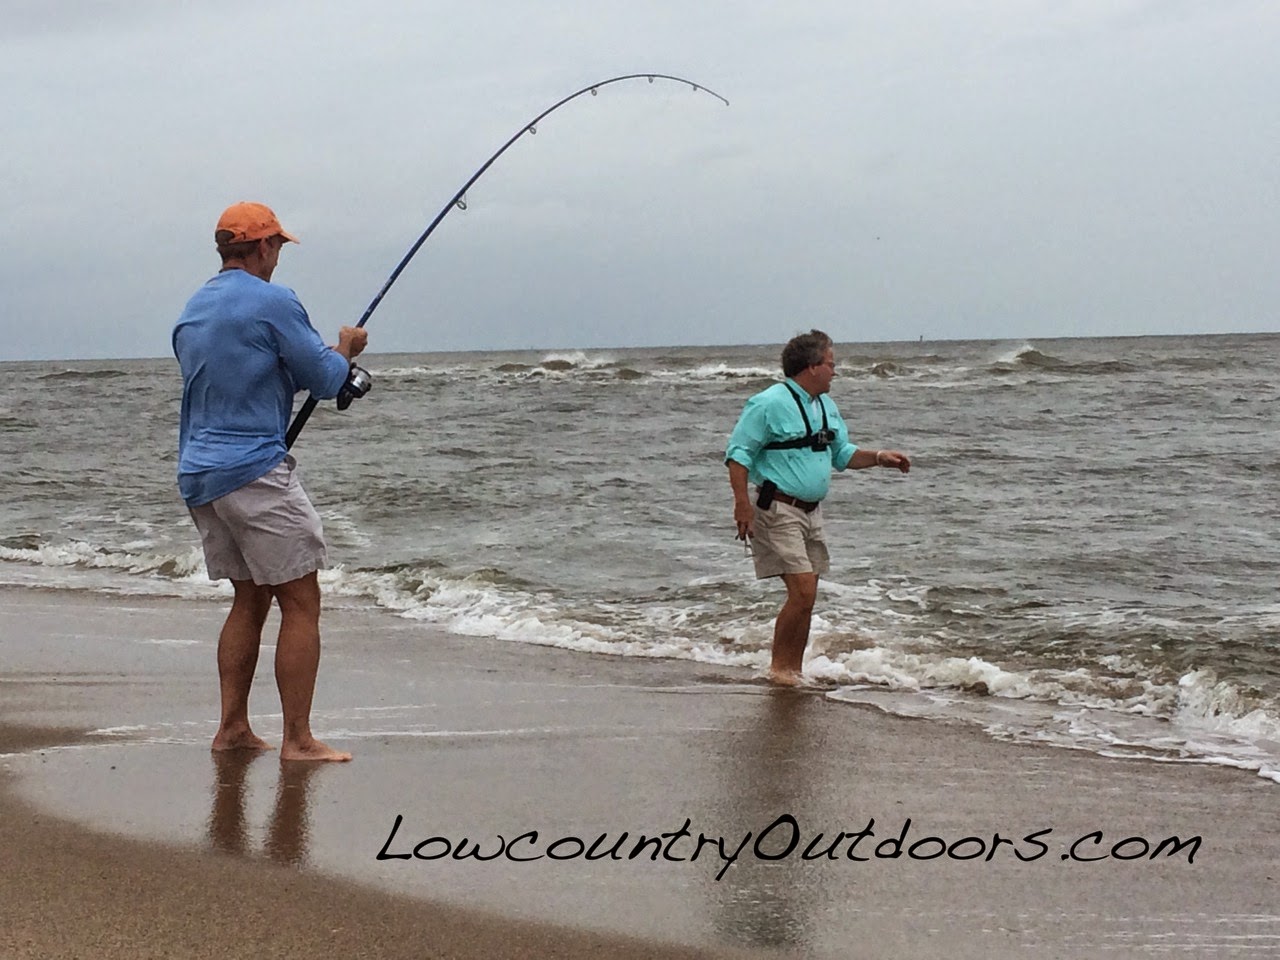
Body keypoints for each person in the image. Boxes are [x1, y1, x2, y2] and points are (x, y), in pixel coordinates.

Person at [173, 201, 368, 761]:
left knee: (249, 597)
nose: (278, 256)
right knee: (301, 602)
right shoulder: (273, 300)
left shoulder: (193, 308)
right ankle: (298, 741)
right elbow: (327, 379)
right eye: (277, 246)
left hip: (200, 473)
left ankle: (233, 728)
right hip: (252, 471)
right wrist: (345, 348)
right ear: (262, 247)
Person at [725, 329, 910, 685]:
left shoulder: (825, 405)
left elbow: (842, 454)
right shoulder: (767, 403)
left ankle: (793, 671)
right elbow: (738, 455)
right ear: (811, 367)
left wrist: (879, 458)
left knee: (808, 597)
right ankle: (779, 670)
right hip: (777, 509)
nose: (835, 371)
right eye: (830, 364)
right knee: (803, 591)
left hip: (812, 512)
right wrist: (741, 505)